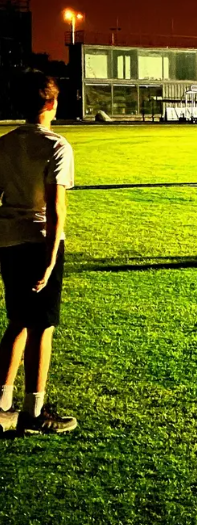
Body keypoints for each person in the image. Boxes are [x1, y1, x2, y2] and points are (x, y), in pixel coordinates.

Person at [0, 71, 78, 434]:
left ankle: (1, 406)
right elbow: (55, 208)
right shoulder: (57, 145)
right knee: (41, 326)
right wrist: (49, 261)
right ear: (50, 103)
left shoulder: (5, 143)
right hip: (40, 241)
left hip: (9, 240)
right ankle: (34, 411)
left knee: (16, 322)